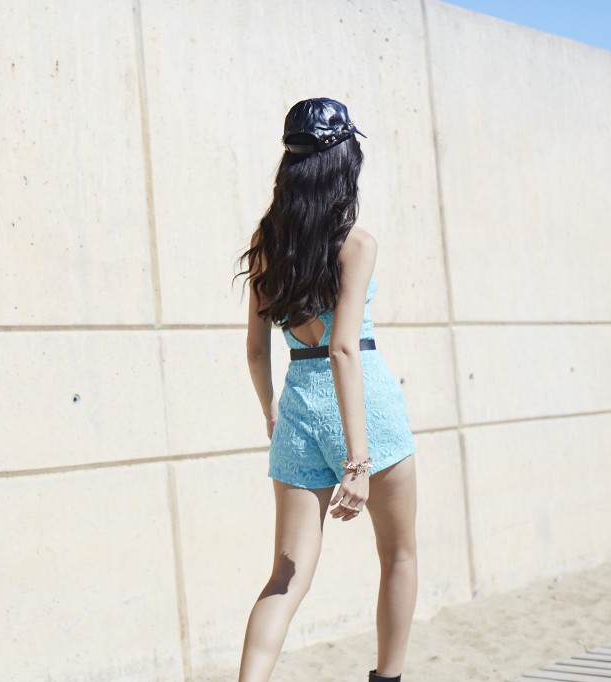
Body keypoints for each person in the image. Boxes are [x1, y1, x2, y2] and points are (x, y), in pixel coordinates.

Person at [235, 98, 418, 682]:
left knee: (285, 577)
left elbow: (256, 349)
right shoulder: (354, 244)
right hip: (365, 410)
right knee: (398, 555)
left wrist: (272, 412)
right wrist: (357, 462)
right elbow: (343, 349)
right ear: (343, 163)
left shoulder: (268, 243)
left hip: (297, 406)